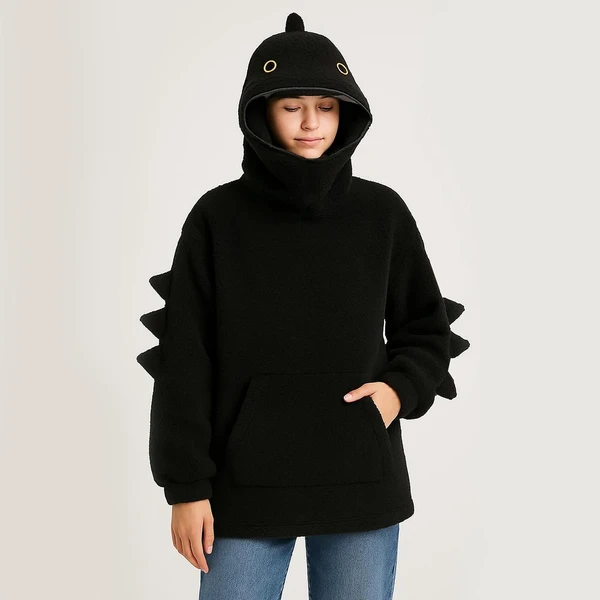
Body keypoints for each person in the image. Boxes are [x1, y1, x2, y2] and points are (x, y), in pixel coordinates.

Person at [137, 12, 470, 599]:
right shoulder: (217, 219)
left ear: (347, 113)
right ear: (261, 113)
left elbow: (427, 326)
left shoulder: (382, 214)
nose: (311, 122)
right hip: (243, 487)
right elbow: (185, 358)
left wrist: (397, 392)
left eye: (327, 106)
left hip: (360, 480)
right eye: (292, 106)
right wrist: (185, 486)